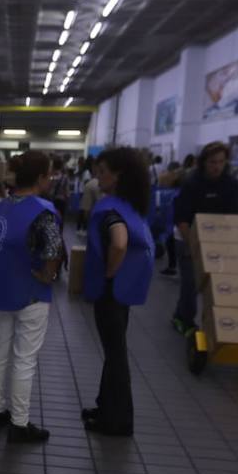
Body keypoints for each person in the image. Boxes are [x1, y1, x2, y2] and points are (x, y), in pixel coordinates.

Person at [0, 151, 63, 444]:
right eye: (49, 174)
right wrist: (48, 275)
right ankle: (19, 423)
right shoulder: (43, 210)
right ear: (41, 178)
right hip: (30, 293)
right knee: (24, 359)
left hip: (1, 288)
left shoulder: (0, 208)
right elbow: (54, 250)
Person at [82, 148, 154, 437]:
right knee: (114, 351)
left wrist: (110, 271)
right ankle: (106, 408)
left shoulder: (110, 209)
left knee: (116, 355)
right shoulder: (131, 205)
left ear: (118, 174)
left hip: (111, 290)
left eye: (102, 172)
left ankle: (118, 420)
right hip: (126, 290)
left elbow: (119, 241)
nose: (97, 177)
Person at [170, 141, 238, 335]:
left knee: (217, 285)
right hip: (187, 236)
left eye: (221, 162)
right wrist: (193, 246)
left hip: (218, 240)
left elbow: (237, 216)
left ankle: (212, 321)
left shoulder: (231, 185)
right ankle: (184, 319)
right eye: (212, 162)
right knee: (191, 282)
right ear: (203, 162)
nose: (217, 166)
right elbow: (182, 219)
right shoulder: (192, 183)